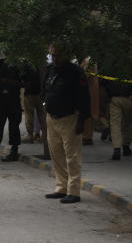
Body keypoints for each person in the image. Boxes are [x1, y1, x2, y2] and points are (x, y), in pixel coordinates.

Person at [42, 42, 91, 204]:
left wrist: (82, 120)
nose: (54, 58)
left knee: (72, 156)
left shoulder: (75, 72)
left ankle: (74, 191)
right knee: (56, 154)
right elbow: (46, 90)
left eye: (57, 55)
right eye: (52, 55)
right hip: (52, 117)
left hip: (70, 118)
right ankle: (61, 187)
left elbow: (84, 98)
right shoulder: (50, 70)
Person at [0, 55, 24, 163]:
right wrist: (0, 80)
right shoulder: (1, 62)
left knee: (14, 126)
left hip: (13, 99)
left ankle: (14, 152)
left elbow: (24, 82)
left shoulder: (20, 65)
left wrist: (10, 82)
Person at [106, 78, 132, 160]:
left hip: (115, 98)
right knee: (128, 123)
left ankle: (117, 148)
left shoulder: (112, 69)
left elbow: (106, 83)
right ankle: (126, 146)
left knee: (115, 124)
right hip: (129, 98)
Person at [20, 61, 45, 143]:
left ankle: (30, 135)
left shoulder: (26, 64)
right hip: (41, 92)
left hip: (30, 92)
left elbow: (22, 78)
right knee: (41, 114)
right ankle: (43, 135)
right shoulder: (42, 63)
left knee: (29, 114)